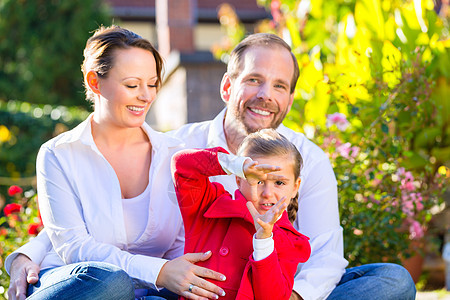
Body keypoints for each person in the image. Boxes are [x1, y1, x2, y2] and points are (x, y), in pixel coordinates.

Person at [6, 32, 416, 299]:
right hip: (193, 287)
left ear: (290, 99)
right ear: (227, 86)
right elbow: (92, 222)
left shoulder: (306, 159)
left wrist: (292, 298)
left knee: (392, 282)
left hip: (270, 287)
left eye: (279, 86)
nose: (265, 95)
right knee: (116, 286)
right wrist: (29, 253)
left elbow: (326, 256)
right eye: (254, 80)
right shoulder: (179, 147)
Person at [7, 25, 228, 300]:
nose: (146, 96)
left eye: (152, 84)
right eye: (132, 85)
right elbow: (73, 246)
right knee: (113, 282)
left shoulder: (175, 155)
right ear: (94, 82)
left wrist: (172, 278)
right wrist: (159, 271)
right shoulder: (59, 154)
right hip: (80, 283)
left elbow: (181, 246)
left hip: (151, 291)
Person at [172, 129, 311, 299]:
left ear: (295, 187)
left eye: (279, 182)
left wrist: (264, 242)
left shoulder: (289, 242)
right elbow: (182, 166)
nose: (267, 193)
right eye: (258, 180)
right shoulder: (210, 207)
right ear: (239, 179)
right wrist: (234, 164)